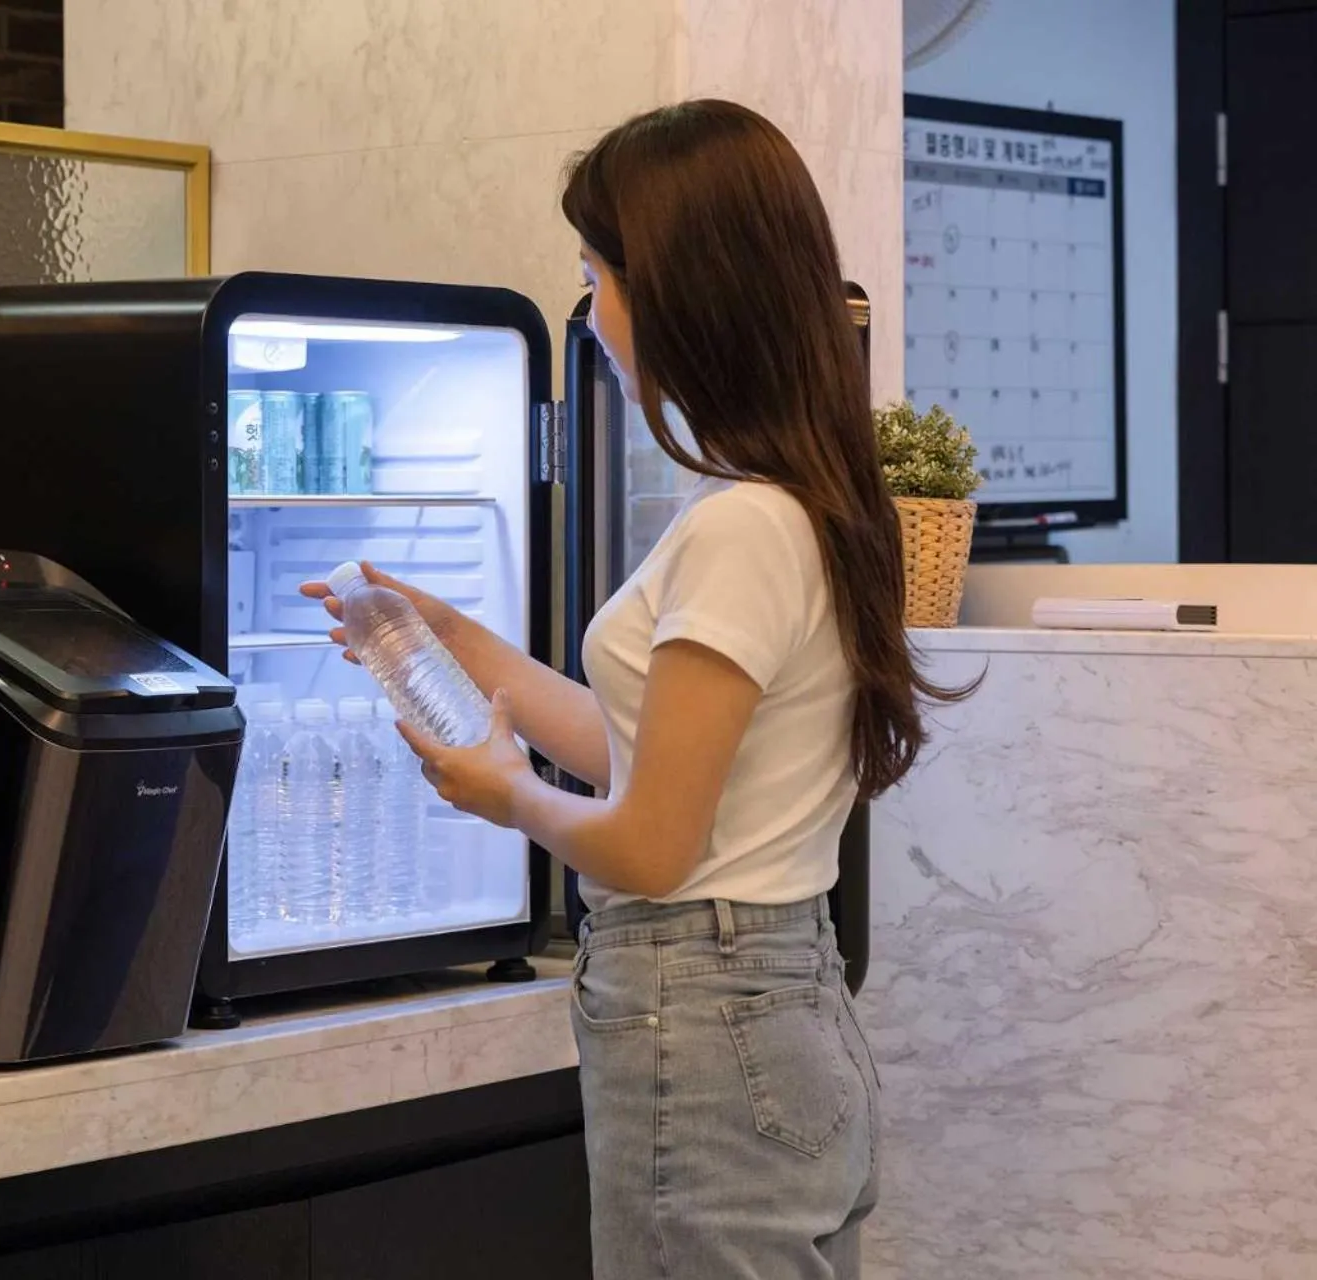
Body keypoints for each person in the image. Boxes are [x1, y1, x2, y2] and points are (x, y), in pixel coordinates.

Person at [306, 100, 969, 1278]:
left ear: (675, 290)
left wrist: (506, 794)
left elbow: (654, 845)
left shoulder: (739, 529)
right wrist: (453, 638)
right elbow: (641, 751)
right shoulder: (803, 506)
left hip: (705, 1018)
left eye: (594, 276)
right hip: (786, 1007)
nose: (593, 313)